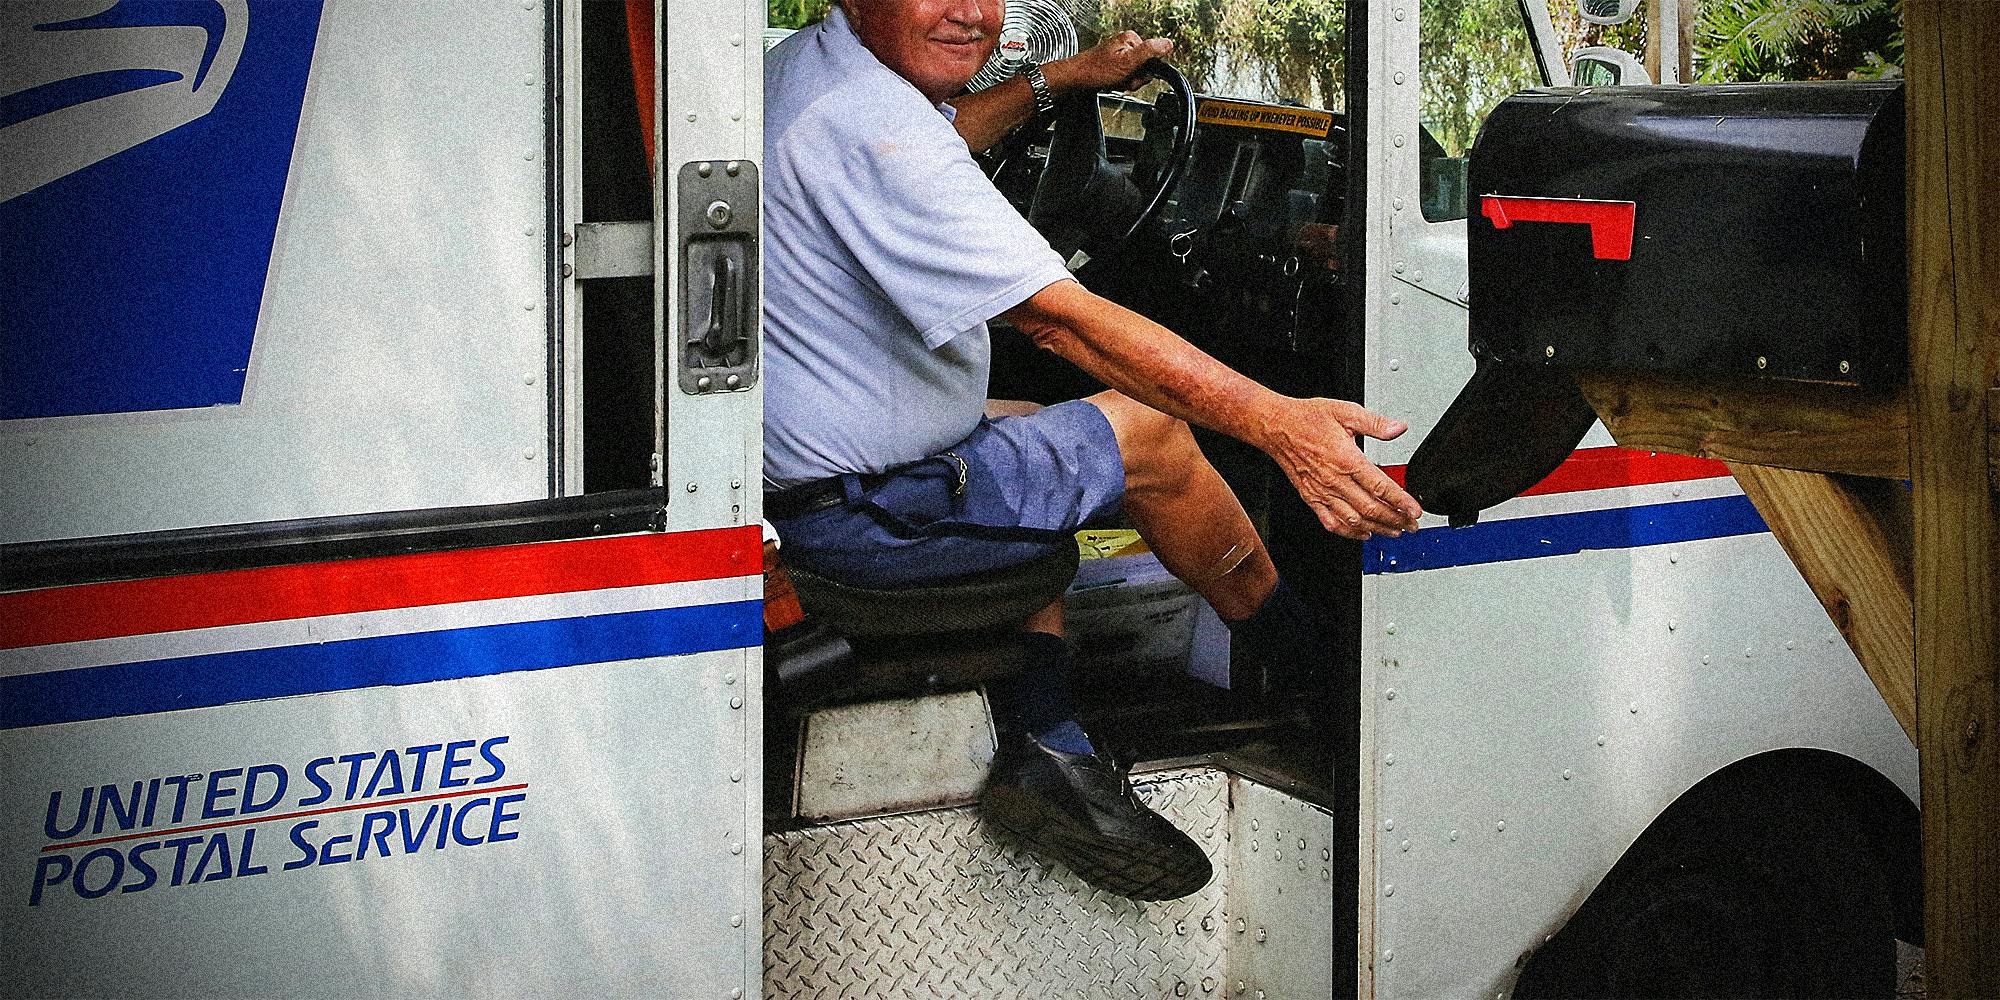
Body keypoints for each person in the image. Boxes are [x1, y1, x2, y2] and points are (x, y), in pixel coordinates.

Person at [762, 0, 1422, 901]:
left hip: (813, 472)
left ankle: (1048, 731)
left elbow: (945, 130)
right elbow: (1060, 318)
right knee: (1149, 434)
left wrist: (1061, 81)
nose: (972, 14)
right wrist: (1280, 423)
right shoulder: (871, 126)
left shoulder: (811, 71)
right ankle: (1312, 694)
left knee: (1040, 423)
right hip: (869, 514)